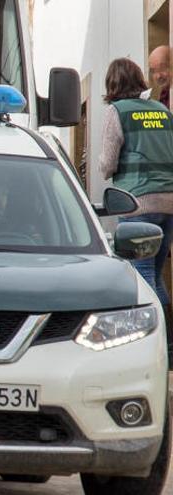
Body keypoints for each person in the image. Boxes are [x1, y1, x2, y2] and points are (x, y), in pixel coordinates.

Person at [99, 58, 173, 360]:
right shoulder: (163, 111)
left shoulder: (116, 112)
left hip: (137, 202)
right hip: (169, 202)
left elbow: (107, 164)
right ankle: (168, 347)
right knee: (156, 274)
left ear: (112, 85)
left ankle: (154, 350)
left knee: (142, 276)